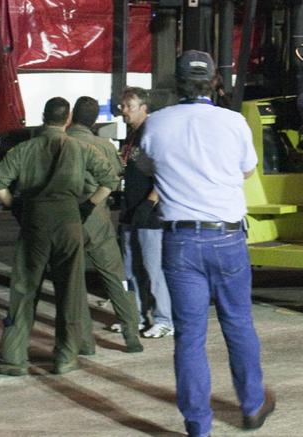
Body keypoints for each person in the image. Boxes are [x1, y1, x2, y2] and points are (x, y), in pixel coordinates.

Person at [139, 50, 275, 437]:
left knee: (190, 335)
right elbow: (247, 170)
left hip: (180, 241)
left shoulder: (155, 125)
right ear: (215, 81)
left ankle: (198, 426)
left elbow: (147, 166)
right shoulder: (233, 123)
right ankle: (251, 405)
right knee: (238, 323)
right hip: (227, 235)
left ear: (177, 83)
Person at [0, 96, 117, 375]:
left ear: (43, 116)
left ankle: (14, 357)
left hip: (35, 220)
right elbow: (110, 180)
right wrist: (87, 206)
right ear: (67, 119)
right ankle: (65, 356)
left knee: (24, 288)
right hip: (69, 219)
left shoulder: (25, 149)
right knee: (69, 288)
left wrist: (15, 206)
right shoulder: (79, 148)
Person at [68, 95, 144, 351]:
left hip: (67, 218)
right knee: (115, 276)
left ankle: (85, 342)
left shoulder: (60, 142)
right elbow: (116, 176)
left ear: (72, 117)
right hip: (97, 218)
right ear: (95, 120)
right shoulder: (104, 145)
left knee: (73, 281)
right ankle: (131, 333)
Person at [117, 87, 173, 338]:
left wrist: (150, 203)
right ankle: (136, 316)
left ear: (144, 108)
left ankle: (164, 319)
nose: (123, 111)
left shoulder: (153, 133)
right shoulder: (132, 136)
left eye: (129, 106)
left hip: (149, 215)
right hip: (130, 211)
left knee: (154, 268)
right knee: (130, 268)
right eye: (123, 106)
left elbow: (166, 172)